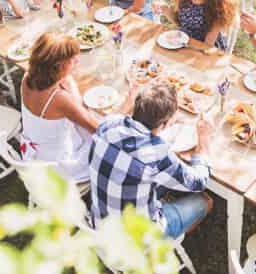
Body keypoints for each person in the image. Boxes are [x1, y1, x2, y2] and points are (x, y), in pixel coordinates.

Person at [88, 82, 214, 238]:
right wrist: (204, 137)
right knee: (205, 200)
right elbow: (199, 181)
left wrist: (129, 100)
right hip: (134, 245)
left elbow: (118, 116)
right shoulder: (157, 154)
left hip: (98, 229)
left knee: (162, 181)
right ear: (165, 124)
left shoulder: (107, 126)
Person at [19, 33, 101, 183]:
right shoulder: (59, 99)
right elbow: (98, 130)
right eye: (73, 60)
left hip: (38, 151)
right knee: (104, 135)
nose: (78, 60)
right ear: (58, 66)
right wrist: (73, 90)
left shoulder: (28, 77)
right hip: (57, 166)